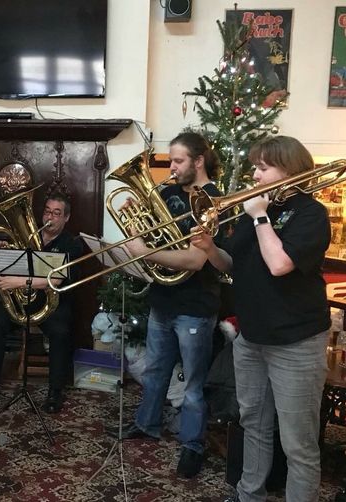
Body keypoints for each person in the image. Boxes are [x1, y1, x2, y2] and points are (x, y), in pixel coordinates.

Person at [192, 136, 331, 502]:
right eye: (255, 166)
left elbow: (280, 264)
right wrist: (209, 248)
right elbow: (232, 265)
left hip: (295, 342)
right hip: (251, 338)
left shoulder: (311, 214)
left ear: (289, 171)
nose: (254, 175)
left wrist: (260, 216)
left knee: (297, 441)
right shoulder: (255, 212)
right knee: (252, 423)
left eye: (263, 168)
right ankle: (248, 495)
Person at [115, 132, 224, 478]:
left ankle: (192, 445)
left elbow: (195, 260)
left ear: (198, 161)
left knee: (192, 384)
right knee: (154, 370)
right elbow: (147, 234)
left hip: (195, 304)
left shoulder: (214, 201)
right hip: (162, 299)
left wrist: (143, 251)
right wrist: (133, 219)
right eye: (170, 161)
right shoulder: (166, 192)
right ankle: (146, 423)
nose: (171, 169)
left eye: (177, 162)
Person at [0, 192, 84, 414]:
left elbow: (56, 278)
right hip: (25, 301)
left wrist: (17, 280)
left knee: (60, 330)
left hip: (53, 305)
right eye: (47, 211)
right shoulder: (27, 235)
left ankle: (55, 390)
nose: (50, 217)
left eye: (57, 213)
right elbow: (12, 267)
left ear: (66, 218)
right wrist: (3, 252)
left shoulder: (72, 244)